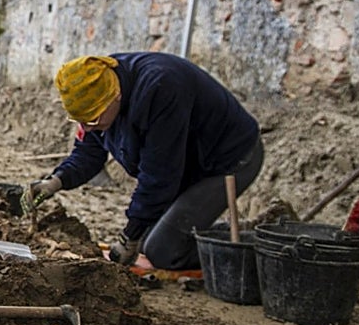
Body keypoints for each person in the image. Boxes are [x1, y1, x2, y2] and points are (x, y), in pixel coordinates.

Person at [22, 53, 264, 270]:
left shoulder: (159, 90)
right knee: (149, 239)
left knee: (162, 251)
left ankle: (256, 248)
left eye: (92, 120)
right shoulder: (96, 88)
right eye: (80, 121)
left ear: (115, 95)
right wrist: (55, 181)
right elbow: (88, 155)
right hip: (184, 167)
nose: (87, 127)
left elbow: (159, 176)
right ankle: (215, 231)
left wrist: (129, 237)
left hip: (227, 162)